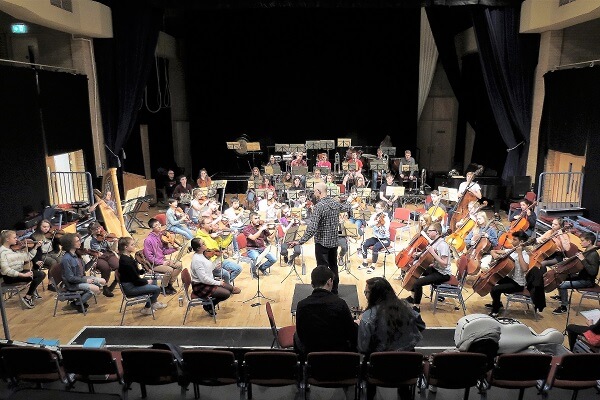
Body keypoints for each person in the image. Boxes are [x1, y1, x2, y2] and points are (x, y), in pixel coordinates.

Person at [358, 277, 426, 400]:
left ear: (375, 295)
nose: (365, 295)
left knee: (368, 361)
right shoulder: (405, 307)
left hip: (379, 369)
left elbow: (363, 347)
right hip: (407, 368)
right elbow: (421, 325)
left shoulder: (368, 317)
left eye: (366, 292)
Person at [289, 182, 354, 294]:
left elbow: (312, 228)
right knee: (333, 267)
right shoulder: (335, 203)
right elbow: (347, 207)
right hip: (333, 243)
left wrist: (300, 241)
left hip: (322, 244)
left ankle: (323, 293)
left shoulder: (319, 207)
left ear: (319, 192)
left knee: (322, 269)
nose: (314, 193)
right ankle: (334, 290)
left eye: (314, 191)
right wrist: (350, 199)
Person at [294, 265, 358, 358]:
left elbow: (301, 333)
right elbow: (351, 332)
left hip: (312, 356)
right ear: (329, 281)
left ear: (312, 284)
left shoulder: (301, 305)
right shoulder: (340, 304)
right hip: (337, 356)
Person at [405, 222, 452, 312]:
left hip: (443, 273)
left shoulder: (443, 245)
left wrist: (433, 253)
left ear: (437, 232)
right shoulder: (435, 242)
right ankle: (413, 297)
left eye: (430, 231)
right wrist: (419, 254)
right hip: (435, 268)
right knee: (414, 272)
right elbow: (430, 255)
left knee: (418, 282)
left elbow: (444, 263)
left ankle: (416, 306)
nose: (428, 232)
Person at [189, 238, 241, 317]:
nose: (205, 244)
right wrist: (219, 282)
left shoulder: (203, 255)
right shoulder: (197, 260)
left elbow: (210, 268)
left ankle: (210, 304)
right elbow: (204, 279)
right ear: (198, 248)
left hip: (208, 281)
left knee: (233, 290)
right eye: (203, 244)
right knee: (226, 294)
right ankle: (209, 306)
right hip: (200, 286)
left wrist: (218, 258)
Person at [552, 231, 599, 315]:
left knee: (562, 285)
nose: (581, 242)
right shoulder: (586, 251)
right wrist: (569, 261)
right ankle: (562, 297)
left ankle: (564, 307)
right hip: (581, 276)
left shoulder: (593, 254)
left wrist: (583, 259)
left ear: (589, 242)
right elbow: (579, 264)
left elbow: (592, 272)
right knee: (559, 277)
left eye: (582, 240)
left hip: (587, 281)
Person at [485, 230, 530, 317]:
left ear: (521, 242)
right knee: (492, 280)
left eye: (515, 240)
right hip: (510, 279)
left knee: (495, 289)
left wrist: (519, 253)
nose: (512, 241)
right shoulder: (511, 251)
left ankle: (495, 311)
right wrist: (495, 255)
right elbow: (493, 251)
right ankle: (497, 303)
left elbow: (525, 269)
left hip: (518, 284)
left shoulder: (525, 255)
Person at [117, 236, 166, 315]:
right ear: (126, 247)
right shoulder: (126, 262)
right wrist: (146, 281)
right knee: (157, 289)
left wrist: (144, 271)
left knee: (153, 278)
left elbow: (135, 272)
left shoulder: (128, 257)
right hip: (130, 288)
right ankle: (147, 308)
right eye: (132, 245)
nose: (134, 246)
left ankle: (154, 303)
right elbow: (136, 281)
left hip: (133, 282)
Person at [0, 230, 45, 309]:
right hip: (10, 277)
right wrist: (23, 275)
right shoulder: (2, 252)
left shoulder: (14, 250)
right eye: (14, 238)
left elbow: (28, 257)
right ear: (7, 239)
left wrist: (36, 247)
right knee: (38, 275)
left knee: (41, 274)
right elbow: (6, 270)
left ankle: (29, 295)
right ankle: (28, 297)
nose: (17, 239)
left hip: (19, 272)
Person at [60, 233, 105, 312]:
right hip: (72, 284)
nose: (80, 242)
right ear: (70, 244)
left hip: (80, 278)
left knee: (102, 281)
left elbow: (84, 269)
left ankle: (81, 301)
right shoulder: (66, 259)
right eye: (77, 241)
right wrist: (86, 281)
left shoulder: (77, 255)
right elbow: (70, 278)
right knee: (95, 288)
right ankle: (76, 304)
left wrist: (94, 259)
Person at [195, 216, 242, 284]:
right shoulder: (199, 238)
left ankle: (225, 285)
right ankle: (225, 286)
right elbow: (204, 255)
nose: (211, 224)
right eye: (209, 223)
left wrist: (231, 235)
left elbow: (223, 245)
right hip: (211, 264)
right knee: (226, 274)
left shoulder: (212, 234)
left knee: (238, 269)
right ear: (202, 225)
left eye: (211, 222)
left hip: (220, 260)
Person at [143, 217, 183, 295]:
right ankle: (163, 287)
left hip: (163, 260)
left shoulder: (161, 236)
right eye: (156, 225)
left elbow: (163, 251)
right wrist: (162, 262)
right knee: (169, 270)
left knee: (179, 265)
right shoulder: (148, 240)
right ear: (152, 228)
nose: (159, 226)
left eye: (159, 224)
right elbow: (149, 257)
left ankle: (169, 284)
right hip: (154, 264)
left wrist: (174, 249)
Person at [87, 221, 119, 297]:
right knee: (105, 268)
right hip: (97, 258)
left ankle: (115, 282)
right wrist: (102, 240)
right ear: (91, 231)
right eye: (95, 229)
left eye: (98, 228)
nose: (98, 230)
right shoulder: (90, 240)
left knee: (118, 265)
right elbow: (95, 252)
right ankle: (105, 288)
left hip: (108, 254)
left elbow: (113, 249)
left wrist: (115, 242)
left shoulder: (105, 235)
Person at [359, 201, 391, 274]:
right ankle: (365, 263)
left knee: (375, 247)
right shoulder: (374, 216)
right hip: (376, 238)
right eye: (376, 208)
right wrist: (375, 222)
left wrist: (378, 226)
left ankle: (373, 266)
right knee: (364, 243)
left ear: (383, 208)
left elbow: (384, 231)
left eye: (379, 208)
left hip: (385, 239)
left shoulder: (386, 218)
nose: (377, 209)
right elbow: (369, 224)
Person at [242, 212, 277, 278]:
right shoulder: (246, 229)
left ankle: (262, 268)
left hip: (262, 248)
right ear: (251, 220)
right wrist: (261, 229)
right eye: (255, 218)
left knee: (273, 259)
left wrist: (275, 229)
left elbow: (270, 238)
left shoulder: (261, 226)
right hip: (252, 249)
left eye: (258, 218)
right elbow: (253, 237)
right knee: (257, 259)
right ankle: (253, 272)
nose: (258, 220)